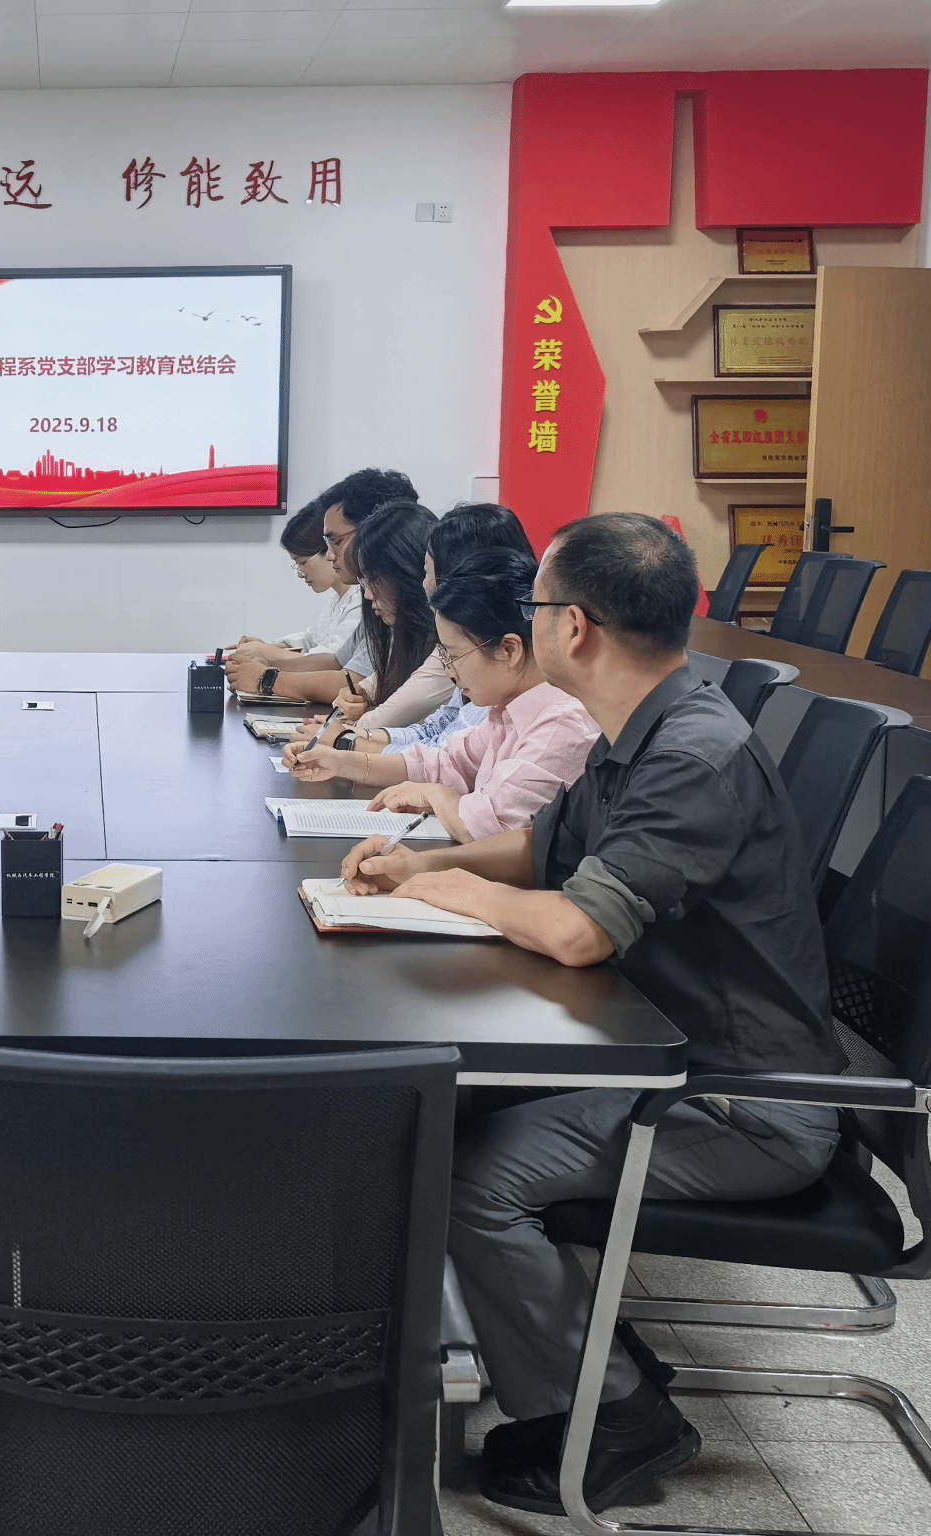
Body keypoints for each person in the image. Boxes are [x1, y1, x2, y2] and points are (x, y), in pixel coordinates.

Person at [334, 513, 844, 1516]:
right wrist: (420, 865)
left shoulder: (690, 755)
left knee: (470, 1176)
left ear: (572, 626)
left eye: (534, 605)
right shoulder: (636, 729)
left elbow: (576, 931)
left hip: (744, 1103)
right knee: (444, 1112)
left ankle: (616, 1418)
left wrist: (447, 891)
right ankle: (569, 1351)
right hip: (662, 1048)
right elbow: (538, 852)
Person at [283, 548, 598, 842]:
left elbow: (491, 826)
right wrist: (339, 762)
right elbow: (446, 763)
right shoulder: (508, 709)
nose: (449, 671)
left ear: (508, 650)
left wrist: (435, 795)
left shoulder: (561, 724)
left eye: (453, 655)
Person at [347, 504, 537, 756]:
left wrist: (349, 741)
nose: (424, 583)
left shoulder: (485, 664)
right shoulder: (475, 654)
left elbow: (443, 759)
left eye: (427, 570)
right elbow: (435, 732)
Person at [226, 467, 416, 704]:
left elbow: (352, 683)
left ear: (376, 532)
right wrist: (267, 664)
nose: (330, 555)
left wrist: (267, 678)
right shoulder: (372, 597)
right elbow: (336, 662)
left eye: (335, 541)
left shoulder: (398, 601)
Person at [331, 500, 454, 732]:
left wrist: (343, 728)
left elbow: (378, 722)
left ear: (409, 575)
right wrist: (361, 693)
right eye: (364, 581)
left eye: (374, 580)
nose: (368, 594)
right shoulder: (406, 631)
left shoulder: (451, 645)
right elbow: (383, 682)